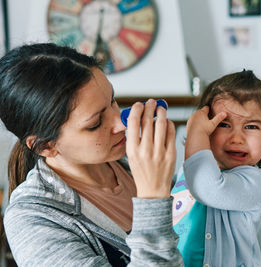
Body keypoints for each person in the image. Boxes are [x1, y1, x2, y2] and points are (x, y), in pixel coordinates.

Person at [0, 43, 183, 266]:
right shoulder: (32, 218)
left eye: (112, 101)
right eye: (95, 124)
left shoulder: (131, 164)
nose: (121, 124)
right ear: (45, 146)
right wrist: (153, 199)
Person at [171, 70, 261, 266]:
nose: (237, 138)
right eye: (223, 124)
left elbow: (209, 188)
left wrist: (195, 131)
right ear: (208, 127)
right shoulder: (187, 171)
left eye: (251, 127)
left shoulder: (253, 182)